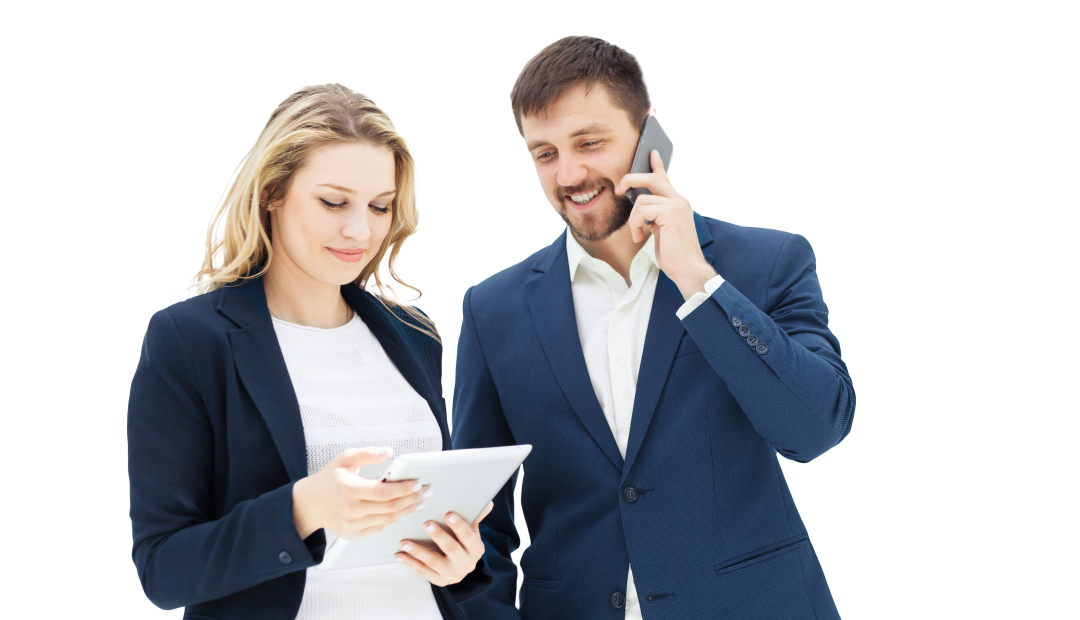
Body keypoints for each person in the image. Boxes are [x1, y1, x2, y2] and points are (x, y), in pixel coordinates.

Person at [450, 36, 855, 619]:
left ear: (649, 133)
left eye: (589, 142)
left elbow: (815, 429)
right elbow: (476, 509)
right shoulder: (494, 308)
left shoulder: (768, 262)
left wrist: (697, 280)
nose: (569, 173)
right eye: (544, 153)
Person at [128, 81, 492, 620]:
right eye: (333, 201)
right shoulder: (191, 340)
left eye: (380, 206)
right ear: (272, 192)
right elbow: (163, 570)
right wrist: (305, 508)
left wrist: (459, 563)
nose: (359, 229)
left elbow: (427, 535)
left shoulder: (414, 335)